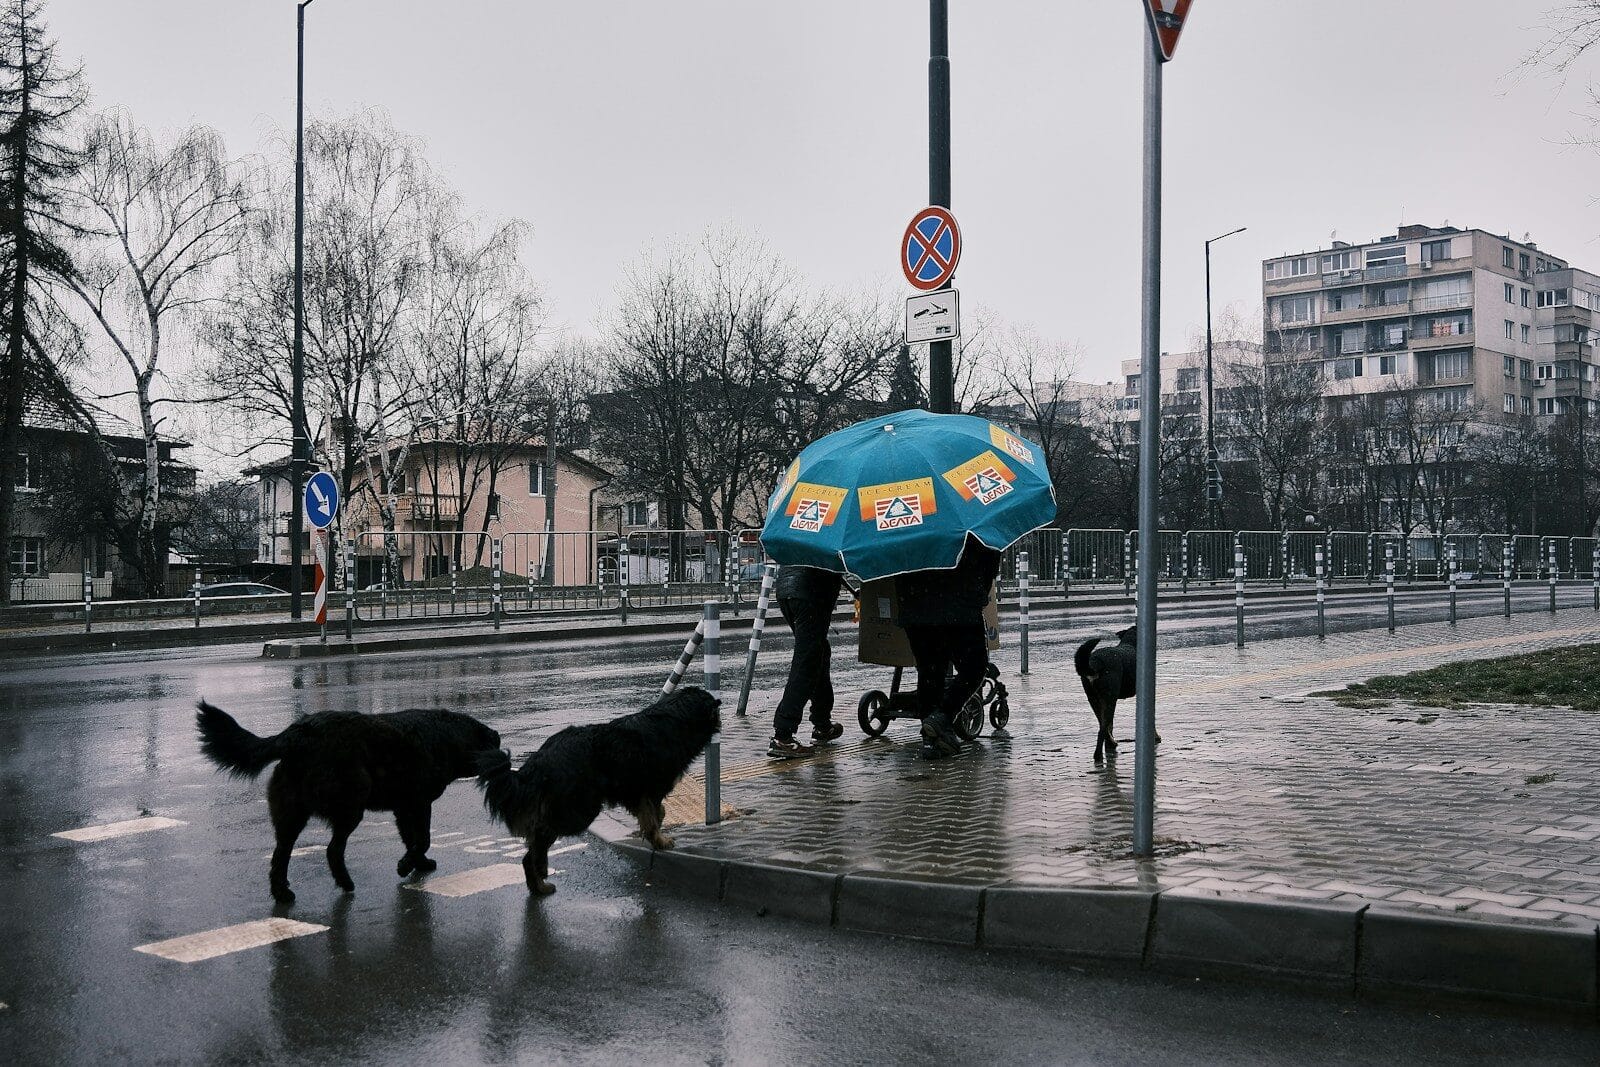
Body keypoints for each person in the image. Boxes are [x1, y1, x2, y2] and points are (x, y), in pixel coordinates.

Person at [897, 535, 1001, 759]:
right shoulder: (967, 513)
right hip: (957, 603)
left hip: (915, 603)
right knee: (974, 666)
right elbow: (990, 554)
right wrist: (980, 590)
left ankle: (931, 741)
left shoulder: (915, 516)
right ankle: (942, 717)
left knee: (929, 670)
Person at [768, 564, 846, 759]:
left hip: (787, 588)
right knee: (807, 662)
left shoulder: (810, 534)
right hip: (811, 592)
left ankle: (822, 723)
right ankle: (783, 734)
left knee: (818, 652)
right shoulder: (831, 532)